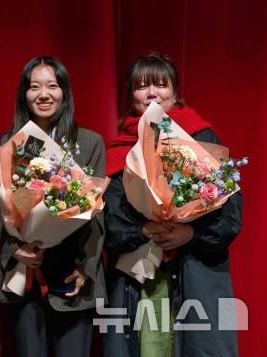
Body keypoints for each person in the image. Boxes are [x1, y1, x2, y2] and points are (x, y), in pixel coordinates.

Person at [104, 53, 243, 357]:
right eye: (141, 86)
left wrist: (189, 233)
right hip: (136, 279)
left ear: (175, 92)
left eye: (160, 85)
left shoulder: (200, 137)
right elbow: (108, 217)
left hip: (197, 277)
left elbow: (230, 215)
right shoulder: (119, 148)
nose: (151, 93)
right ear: (131, 96)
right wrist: (143, 229)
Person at [0, 56, 106, 357]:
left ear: (64, 92)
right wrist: (15, 250)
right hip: (24, 276)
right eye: (34, 86)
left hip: (71, 279)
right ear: (23, 94)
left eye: (52, 86)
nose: (43, 94)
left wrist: (85, 268)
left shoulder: (90, 143)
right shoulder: (7, 143)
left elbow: (97, 214)